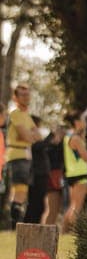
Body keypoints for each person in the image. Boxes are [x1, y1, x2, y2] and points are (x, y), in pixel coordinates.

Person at [7, 84, 43, 227]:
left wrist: (29, 135)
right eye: (22, 95)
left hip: (26, 156)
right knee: (19, 192)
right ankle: (13, 226)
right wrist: (29, 135)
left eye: (28, 94)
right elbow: (27, 136)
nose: (26, 97)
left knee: (21, 192)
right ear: (15, 97)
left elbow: (38, 136)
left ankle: (14, 225)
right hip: (17, 155)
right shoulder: (15, 113)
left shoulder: (26, 115)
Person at [61, 110, 87, 232]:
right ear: (76, 122)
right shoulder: (76, 139)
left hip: (71, 174)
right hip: (80, 174)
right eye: (82, 120)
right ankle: (74, 232)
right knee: (77, 207)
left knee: (72, 205)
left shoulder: (67, 137)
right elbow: (86, 156)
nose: (84, 123)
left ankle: (63, 231)